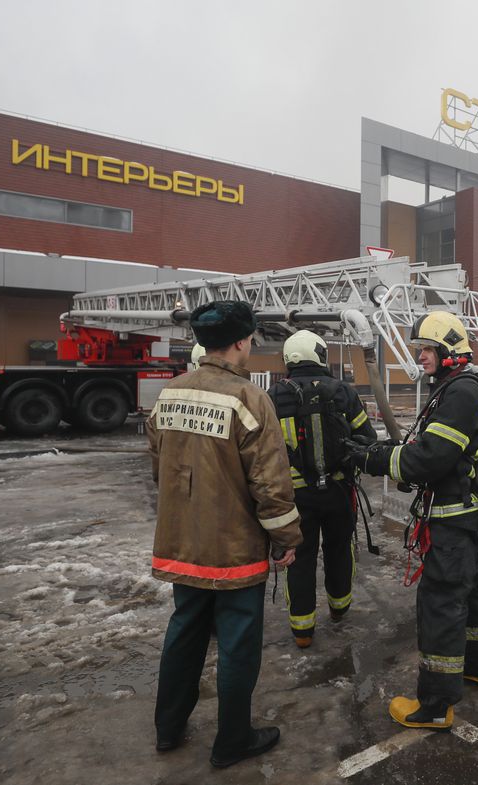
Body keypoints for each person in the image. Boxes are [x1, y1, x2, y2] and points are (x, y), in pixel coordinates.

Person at [147, 300, 302, 769]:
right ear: (240, 341)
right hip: (234, 549)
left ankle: (168, 729)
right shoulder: (249, 398)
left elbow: (159, 465)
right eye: (250, 338)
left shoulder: (170, 393)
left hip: (182, 543)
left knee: (184, 632)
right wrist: (286, 538)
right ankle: (232, 739)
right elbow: (270, 483)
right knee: (237, 645)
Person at [354, 309, 478, 731]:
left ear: (449, 350)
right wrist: (389, 453)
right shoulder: (453, 388)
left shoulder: (461, 393)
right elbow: (429, 448)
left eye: (427, 349)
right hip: (461, 516)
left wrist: (373, 460)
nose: (420, 356)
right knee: (469, 591)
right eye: (419, 349)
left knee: (440, 604)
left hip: (452, 520)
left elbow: (430, 459)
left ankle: (435, 705)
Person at [267, 329, 377, 648]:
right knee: (339, 550)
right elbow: (367, 439)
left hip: (295, 498)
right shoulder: (344, 392)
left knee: (299, 558)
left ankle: (302, 631)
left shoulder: (273, 396)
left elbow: (264, 451)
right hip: (339, 492)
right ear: (320, 355)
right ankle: (339, 609)